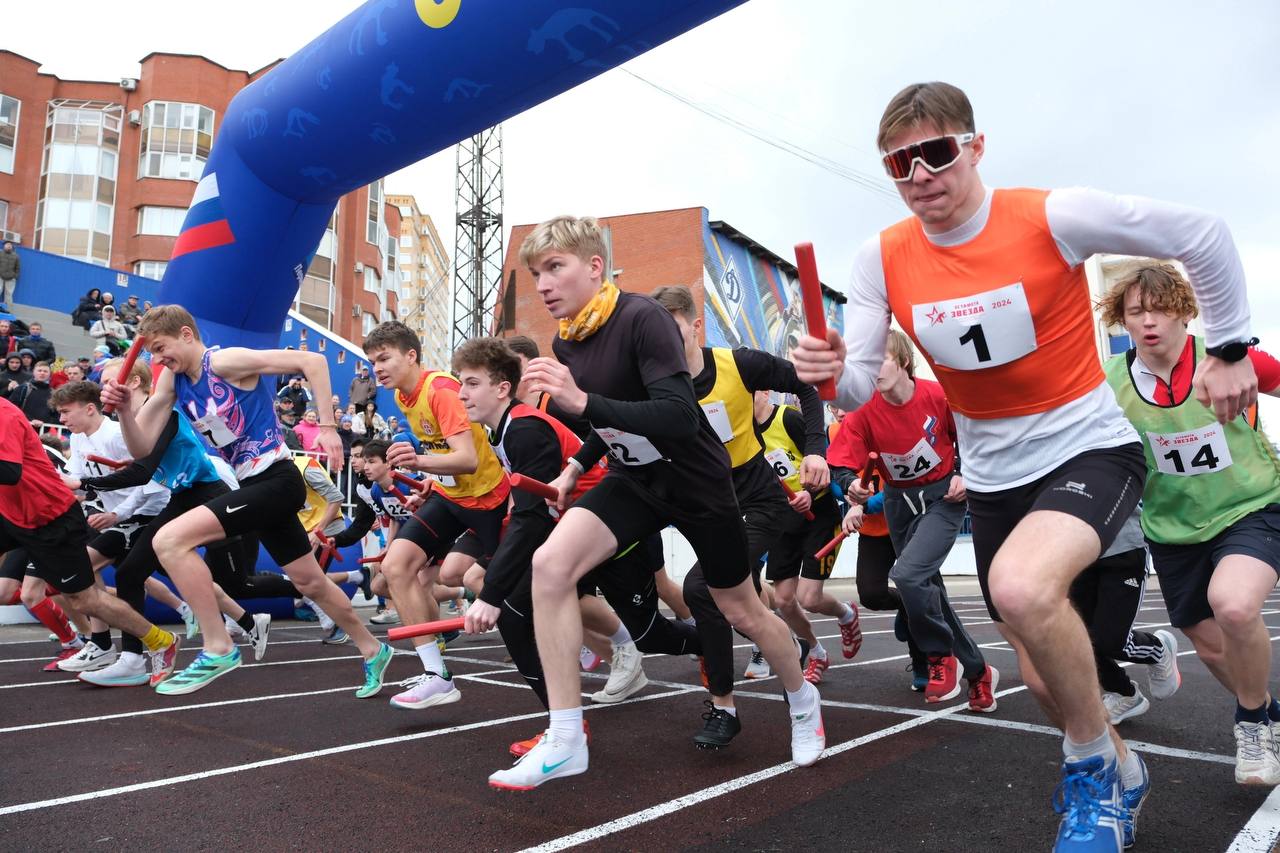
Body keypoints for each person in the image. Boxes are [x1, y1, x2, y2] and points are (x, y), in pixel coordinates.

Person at [792, 81, 1256, 851]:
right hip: (994, 477)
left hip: (1087, 446)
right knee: (1041, 675)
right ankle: (1121, 764)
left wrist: (1233, 345)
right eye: (900, 163)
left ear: (976, 147)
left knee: (1020, 585)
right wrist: (829, 370)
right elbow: (855, 385)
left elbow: (1202, 233)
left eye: (935, 152)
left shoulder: (1052, 216)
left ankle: (1092, 778)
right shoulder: (881, 257)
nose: (920, 174)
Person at [489, 216, 824, 791]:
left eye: (554, 268)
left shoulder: (643, 318)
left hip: (697, 482)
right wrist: (574, 466)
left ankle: (802, 699)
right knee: (550, 565)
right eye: (536, 272)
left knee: (741, 610)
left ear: (595, 267)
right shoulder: (567, 340)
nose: (542, 284)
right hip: (636, 479)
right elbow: (610, 416)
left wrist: (581, 400)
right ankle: (566, 737)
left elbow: (675, 415)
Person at [99, 304, 392, 697]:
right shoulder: (172, 380)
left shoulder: (223, 362)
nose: (159, 358)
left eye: (161, 347)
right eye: (152, 352)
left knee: (169, 541)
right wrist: (124, 412)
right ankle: (374, 649)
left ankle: (218, 646)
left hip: (277, 479)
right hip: (254, 485)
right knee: (310, 582)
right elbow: (141, 449)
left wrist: (326, 427)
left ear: (186, 334)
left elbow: (313, 361)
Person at [453, 338, 700, 742]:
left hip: (615, 535)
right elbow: (528, 510)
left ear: (502, 388)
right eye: (461, 383)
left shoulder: (525, 429)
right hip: (575, 538)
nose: (461, 393)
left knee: (652, 634)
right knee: (515, 615)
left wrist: (491, 593)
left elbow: (532, 519)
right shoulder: (501, 431)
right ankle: (566, 726)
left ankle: (710, 645)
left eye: (472, 383)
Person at [1099, 261, 1279, 783]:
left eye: (1160, 309)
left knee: (1234, 604)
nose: (1149, 320)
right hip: (1172, 527)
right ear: (1123, 321)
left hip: (1250, 505)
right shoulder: (1109, 383)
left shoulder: (1229, 361)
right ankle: (1267, 711)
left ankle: (1251, 724)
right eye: (1136, 311)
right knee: (1209, 642)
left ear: (1184, 312)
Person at [651, 283, 845, 748]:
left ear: (696, 327)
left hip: (756, 500)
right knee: (739, 603)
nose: (663, 342)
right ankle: (742, 693)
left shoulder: (735, 364)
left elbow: (806, 385)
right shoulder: (654, 385)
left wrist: (815, 450)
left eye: (672, 329)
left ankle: (766, 700)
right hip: (704, 504)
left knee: (702, 588)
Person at [59, 361, 272, 686]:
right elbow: (137, 467)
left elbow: (141, 473)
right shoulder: (129, 421)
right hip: (180, 498)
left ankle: (270, 611)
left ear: (133, 381)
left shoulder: (164, 413)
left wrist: (85, 484)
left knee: (238, 584)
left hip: (208, 495)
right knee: (130, 573)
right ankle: (132, 659)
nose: (103, 389)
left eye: (109, 381)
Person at [827, 330, 994, 710]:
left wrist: (964, 472)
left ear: (903, 361)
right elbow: (841, 464)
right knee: (930, 591)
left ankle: (938, 654)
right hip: (899, 502)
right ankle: (978, 671)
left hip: (943, 497)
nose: (871, 370)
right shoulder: (863, 410)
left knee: (907, 575)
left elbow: (975, 436)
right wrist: (852, 486)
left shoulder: (938, 395)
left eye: (879, 360)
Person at [362, 320, 511, 710]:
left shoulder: (441, 391)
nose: (377, 368)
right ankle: (436, 674)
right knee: (395, 567)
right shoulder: (403, 397)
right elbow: (443, 453)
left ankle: (601, 638)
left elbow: (467, 458)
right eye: (372, 362)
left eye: (384, 358)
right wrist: (430, 478)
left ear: (411, 355)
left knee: (507, 587)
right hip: (449, 496)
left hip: (489, 500)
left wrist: (418, 462)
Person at [752, 388, 858, 686]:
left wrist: (809, 491)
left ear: (764, 393)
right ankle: (816, 652)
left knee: (809, 598)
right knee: (784, 600)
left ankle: (846, 614)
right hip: (784, 520)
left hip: (819, 514)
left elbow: (827, 463)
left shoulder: (789, 419)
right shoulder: (746, 433)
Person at [0, 242, 18, 308]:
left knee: (9, 294)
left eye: (10, 245)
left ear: (12, 247)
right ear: (4, 246)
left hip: (11, 278)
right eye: (7, 245)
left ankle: (7, 309)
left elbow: (18, 267)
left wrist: (15, 276)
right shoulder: (0, 253)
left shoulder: (16, 256)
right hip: (0, 276)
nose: (9, 246)